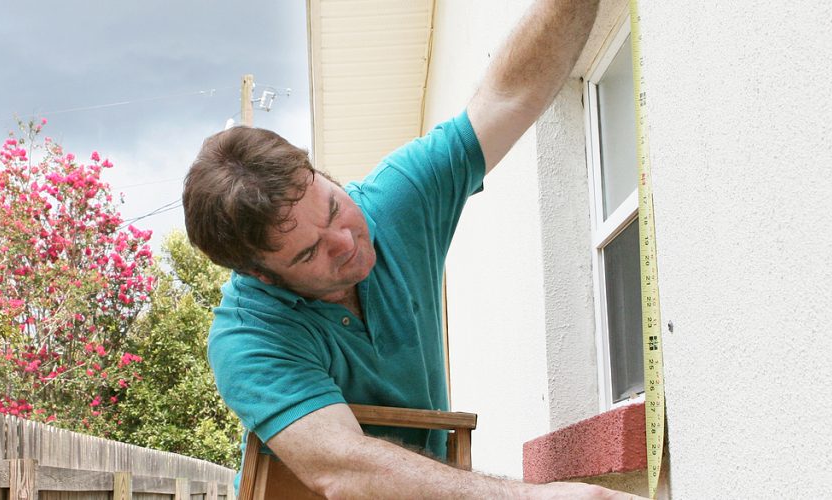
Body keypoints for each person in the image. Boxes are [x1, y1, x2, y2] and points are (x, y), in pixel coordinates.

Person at [183, 0, 637, 498]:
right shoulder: (249, 337)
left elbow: (508, 96)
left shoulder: (395, 202)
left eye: (335, 207)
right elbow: (346, 470)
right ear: (263, 275)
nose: (347, 240)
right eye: (309, 253)